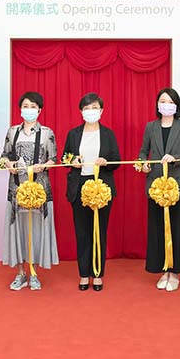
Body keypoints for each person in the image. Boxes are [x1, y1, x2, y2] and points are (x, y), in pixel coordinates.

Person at [137, 88, 180, 291]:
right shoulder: (150, 127)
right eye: (163, 101)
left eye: (170, 102)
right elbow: (143, 152)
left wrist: (175, 158)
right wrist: (143, 164)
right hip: (156, 186)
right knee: (158, 229)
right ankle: (163, 270)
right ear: (157, 105)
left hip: (178, 186)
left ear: (176, 106)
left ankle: (175, 272)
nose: (166, 105)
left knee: (178, 230)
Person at [0, 92, 59, 291]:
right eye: (26, 106)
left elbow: (54, 159)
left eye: (33, 106)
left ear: (39, 110)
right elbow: (4, 156)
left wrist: (44, 166)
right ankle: (20, 273)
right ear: (20, 109)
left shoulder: (47, 133)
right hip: (17, 189)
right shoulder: (12, 131)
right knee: (18, 230)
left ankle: (33, 273)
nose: (29, 110)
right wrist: (8, 164)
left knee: (36, 231)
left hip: (39, 191)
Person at [62, 93, 121, 291]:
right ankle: (83, 274)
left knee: (99, 231)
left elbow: (116, 160)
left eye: (94, 108)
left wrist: (106, 162)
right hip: (79, 187)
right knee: (82, 232)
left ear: (101, 111)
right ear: (81, 112)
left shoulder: (108, 134)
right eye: (86, 108)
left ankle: (97, 274)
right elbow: (64, 158)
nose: (90, 112)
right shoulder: (73, 134)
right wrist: (72, 161)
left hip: (101, 187)